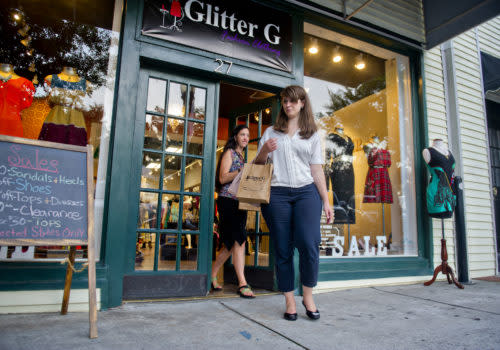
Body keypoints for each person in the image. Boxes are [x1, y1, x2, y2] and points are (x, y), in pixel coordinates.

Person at [254, 85, 333, 321]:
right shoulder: (270, 132)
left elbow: (317, 170)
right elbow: (258, 166)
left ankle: (307, 294)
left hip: (306, 192)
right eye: (285, 101)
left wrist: (326, 201)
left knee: (309, 244)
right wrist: (264, 151)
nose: (288, 104)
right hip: (277, 194)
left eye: (293, 101)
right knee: (283, 248)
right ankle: (289, 299)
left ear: (302, 104)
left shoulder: (312, 134)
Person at [211, 125, 255, 298]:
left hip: (240, 202)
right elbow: (222, 178)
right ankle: (242, 283)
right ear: (235, 137)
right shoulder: (229, 153)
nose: (245, 137)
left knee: (230, 244)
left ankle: (212, 274)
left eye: (247, 135)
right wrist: (241, 171)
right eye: (242, 134)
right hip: (227, 201)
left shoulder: (242, 156)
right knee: (240, 240)